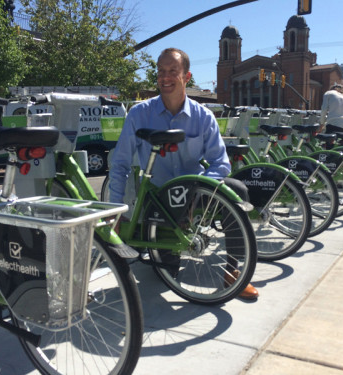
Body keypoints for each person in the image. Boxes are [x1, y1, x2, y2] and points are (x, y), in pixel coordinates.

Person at [109, 47, 258, 299]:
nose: (165, 78)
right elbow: (120, 163)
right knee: (166, 272)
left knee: (239, 190)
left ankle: (234, 272)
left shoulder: (203, 116)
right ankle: (158, 250)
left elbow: (220, 164)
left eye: (172, 72)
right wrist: (114, 210)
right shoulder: (139, 114)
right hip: (159, 197)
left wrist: (196, 192)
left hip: (196, 190)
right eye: (161, 72)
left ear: (186, 77)